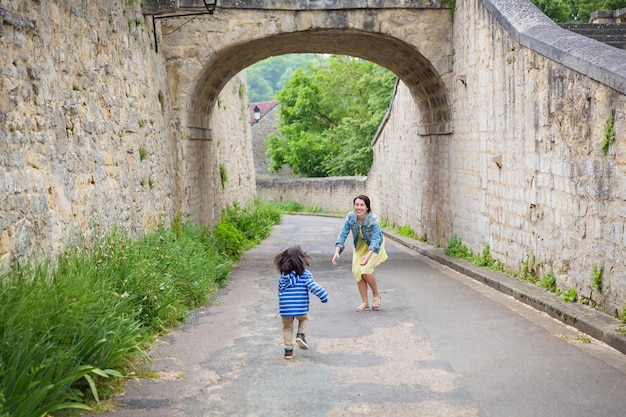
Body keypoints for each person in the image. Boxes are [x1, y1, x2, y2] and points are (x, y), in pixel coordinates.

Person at [332, 195, 388, 312]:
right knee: (356, 271)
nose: (359, 207)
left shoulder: (373, 219)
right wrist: (337, 251)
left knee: (365, 270)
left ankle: (376, 295)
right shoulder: (351, 217)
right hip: (360, 245)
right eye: (357, 205)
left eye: (362, 205)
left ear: (367, 207)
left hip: (375, 246)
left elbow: (375, 240)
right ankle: (365, 303)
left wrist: (368, 256)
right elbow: (343, 233)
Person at [275, 245, 329, 360]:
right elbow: (313, 286)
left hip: (285, 309)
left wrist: (282, 307)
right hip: (300, 307)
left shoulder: (283, 277)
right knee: (304, 319)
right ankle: (300, 335)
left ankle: (288, 351)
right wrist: (323, 296)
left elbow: (280, 291)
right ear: (302, 260)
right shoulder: (305, 275)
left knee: (287, 328)